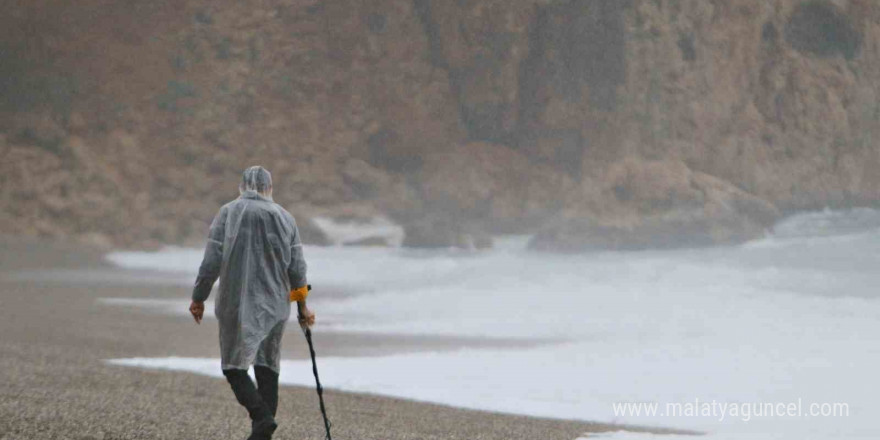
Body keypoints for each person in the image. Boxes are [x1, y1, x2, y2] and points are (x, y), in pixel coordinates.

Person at [188, 166, 315, 440]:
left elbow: (211, 262)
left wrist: (199, 297)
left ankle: (261, 418)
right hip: (276, 307)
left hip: (238, 304)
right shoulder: (285, 218)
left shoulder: (227, 213)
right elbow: (298, 271)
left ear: (242, 185)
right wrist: (302, 306)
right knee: (267, 366)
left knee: (234, 366)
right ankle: (263, 432)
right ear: (269, 186)